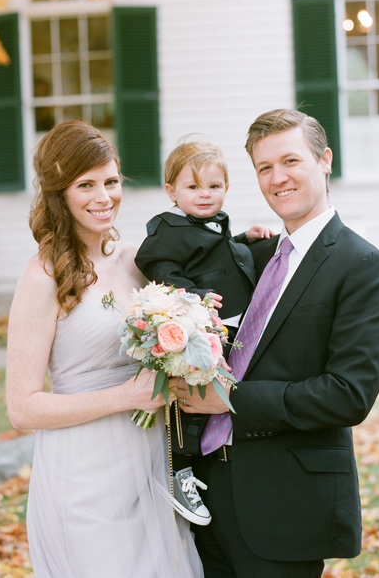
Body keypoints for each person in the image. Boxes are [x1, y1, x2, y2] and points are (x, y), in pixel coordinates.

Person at [176, 108, 379, 578]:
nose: (278, 178)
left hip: (284, 502)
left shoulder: (362, 266)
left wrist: (230, 400)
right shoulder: (255, 255)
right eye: (264, 168)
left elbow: (348, 394)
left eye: (290, 161)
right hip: (208, 488)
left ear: (324, 161)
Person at [6, 120, 202, 577]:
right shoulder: (43, 276)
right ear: (60, 193)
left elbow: (206, 261)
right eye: (86, 185)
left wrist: (249, 243)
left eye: (111, 182)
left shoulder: (136, 260)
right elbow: (22, 408)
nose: (103, 197)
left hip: (151, 458)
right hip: (85, 474)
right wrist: (128, 396)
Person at [135, 141, 273, 526]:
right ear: (171, 192)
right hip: (196, 328)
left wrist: (246, 239)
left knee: (221, 397)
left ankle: (213, 460)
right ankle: (180, 473)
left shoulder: (215, 223)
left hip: (231, 328)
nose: (205, 195)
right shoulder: (169, 229)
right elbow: (161, 269)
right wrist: (192, 297)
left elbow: (217, 253)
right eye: (193, 187)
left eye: (214, 186)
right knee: (189, 403)